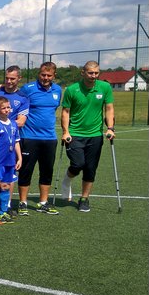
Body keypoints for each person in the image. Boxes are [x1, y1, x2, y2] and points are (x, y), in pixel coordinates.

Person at [60, 61, 116, 213]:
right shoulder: (72, 89)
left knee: (90, 168)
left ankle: (84, 199)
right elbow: (65, 111)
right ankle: (67, 180)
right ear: (83, 73)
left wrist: (110, 128)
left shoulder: (105, 87)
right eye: (91, 73)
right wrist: (65, 131)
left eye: (96, 73)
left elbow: (109, 108)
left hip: (95, 135)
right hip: (75, 134)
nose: (93, 76)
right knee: (78, 164)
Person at [17, 62, 63, 215]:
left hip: (50, 138)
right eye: (43, 75)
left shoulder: (57, 90)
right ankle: (22, 203)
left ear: (54, 76)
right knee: (26, 170)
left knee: (47, 171)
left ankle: (43, 202)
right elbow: (17, 105)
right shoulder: (28, 89)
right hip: (29, 137)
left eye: (49, 75)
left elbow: (54, 108)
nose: (46, 78)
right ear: (39, 74)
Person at [0, 97, 23, 223]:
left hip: (10, 160)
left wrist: (19, 158)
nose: (7, 110)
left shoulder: (13, 124)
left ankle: (3, 211)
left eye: (8, 107)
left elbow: (16, 142)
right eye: (3, 108)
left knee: (6, 186)